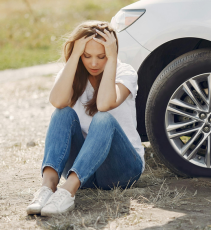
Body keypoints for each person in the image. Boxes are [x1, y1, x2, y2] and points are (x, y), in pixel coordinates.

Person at [26, 21, 144, 216]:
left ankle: (68, 191)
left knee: (103, 118)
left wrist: (113, 58)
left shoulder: (125, 73)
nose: (94, 63)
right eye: (87, 56)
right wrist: (74, 56)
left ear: (112, 53)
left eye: (101, 56)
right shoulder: (71, 74)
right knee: (62, 112)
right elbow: (56, 101)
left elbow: (104, 104)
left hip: (122, 169)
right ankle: (48, 187)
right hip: (84, 172)